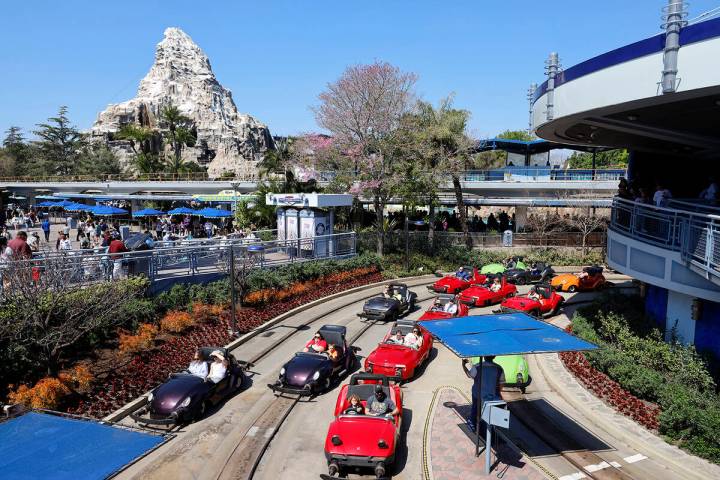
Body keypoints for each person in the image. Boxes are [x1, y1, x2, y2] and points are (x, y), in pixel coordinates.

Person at [462, 356, 503, 432]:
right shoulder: (499, 368)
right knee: (490, 413)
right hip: (492, 396)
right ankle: (491, 428)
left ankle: (473, 424)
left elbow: (469, 375)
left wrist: (463, 365)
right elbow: (501, 384)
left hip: (478, 394)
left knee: (475, 408)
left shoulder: (477, 366)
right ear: (494, 357)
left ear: (484, 356)